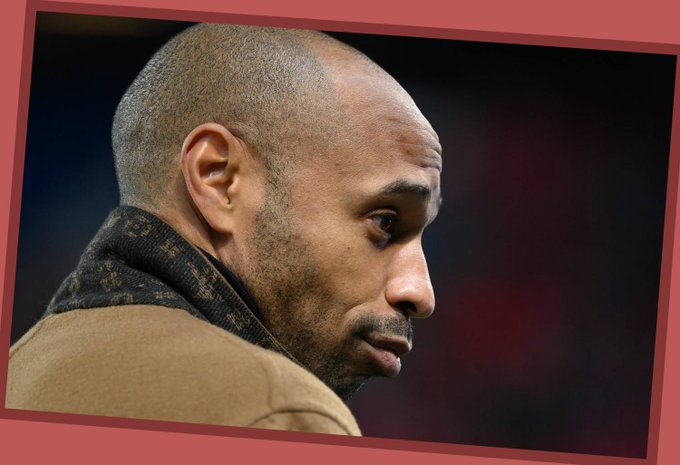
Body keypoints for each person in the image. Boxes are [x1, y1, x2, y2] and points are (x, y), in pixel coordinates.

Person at [6, 23, 442, 435]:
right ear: (218, 178)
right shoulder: (277, 412)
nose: (421, 294)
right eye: (385, 222)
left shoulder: (19, 371)